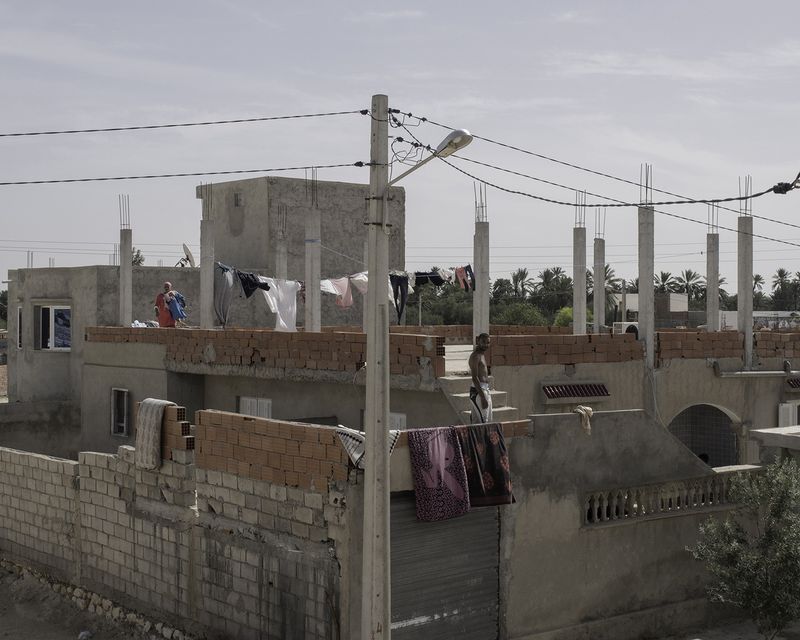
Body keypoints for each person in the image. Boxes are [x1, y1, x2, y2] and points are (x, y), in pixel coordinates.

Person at [469, 332, 492, 423]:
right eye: (483, 342)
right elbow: (474, 378)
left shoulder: (481, 355)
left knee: (477, 424)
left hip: (484, 390)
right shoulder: (475, 356)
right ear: (478, 341)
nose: (486, 345)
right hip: (479, 391)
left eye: (488, 342)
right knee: (484, 423)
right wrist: (482, 397)